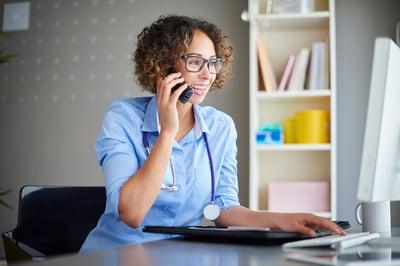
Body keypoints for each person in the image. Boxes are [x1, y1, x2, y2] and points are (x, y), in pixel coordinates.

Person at [80, 15, 345, 252]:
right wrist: (167, 133)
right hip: (115, 255)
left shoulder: (221, 127)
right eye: (195, 62)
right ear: (163, 66)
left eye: (213, 63)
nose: (208, 74)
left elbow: (225, 209)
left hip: (178, 257)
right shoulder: (122, 118)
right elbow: (132, 213)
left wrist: (284, 221)